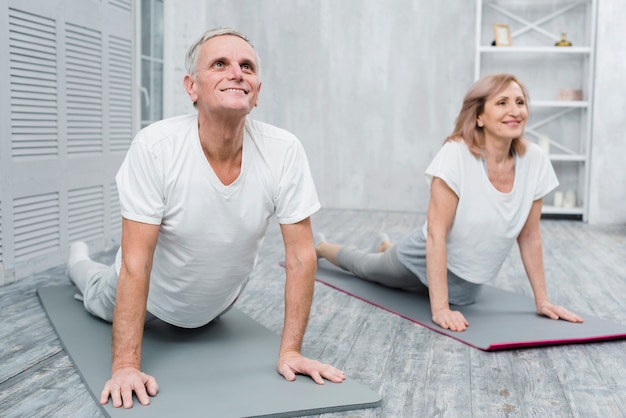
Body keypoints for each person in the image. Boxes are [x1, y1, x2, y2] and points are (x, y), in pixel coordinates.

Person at [67, 27, 345, 410]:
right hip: (149, 298)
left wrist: (292, 350)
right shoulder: (156, 147)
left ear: (257, 92)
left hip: (219, 303)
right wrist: (126, 366)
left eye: (246, 66)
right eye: (220, 64)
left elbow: (300, 257)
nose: (236, 73)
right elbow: (136, 261)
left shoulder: (284, 151)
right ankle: (77, 259)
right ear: (192, 87)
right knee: (93, 286)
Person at [315, 73, 584, 333]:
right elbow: (436, 233)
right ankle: (323, 247)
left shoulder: (535, 160)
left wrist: (543, 301)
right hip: (422, 254)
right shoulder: (455, 154)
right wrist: (440, 308)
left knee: (458, 298)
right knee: (368, 269)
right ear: (479, 116)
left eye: (520, 102)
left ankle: (387, 247)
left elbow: (529, 236)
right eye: (502, 103)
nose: (514, 110)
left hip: (466, 282)